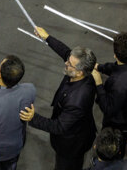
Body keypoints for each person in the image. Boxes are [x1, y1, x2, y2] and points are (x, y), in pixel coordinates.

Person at [20, 27, 97, 170]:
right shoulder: (83, 73)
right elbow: (66, 52)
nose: (66, 63)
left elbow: (59, 126)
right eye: (68, 61)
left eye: (69, 64)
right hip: (80, 128)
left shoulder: (78, 100)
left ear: (80, 72)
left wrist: (33, 118)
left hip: (71, 145)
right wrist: (47, 38)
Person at [91, 33, 127, 157]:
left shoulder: (120, 84)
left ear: (115, 55)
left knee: (116, 146)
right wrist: (99, 67)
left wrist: (99, 84)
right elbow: (115, 68)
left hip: (121, 124)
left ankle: (116, 157)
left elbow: (108, 108)